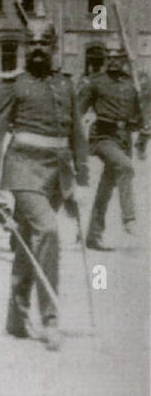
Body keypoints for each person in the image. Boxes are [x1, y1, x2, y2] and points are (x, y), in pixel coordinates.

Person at [0, 19, 87, 351]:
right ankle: (50, 319)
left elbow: (76, 136)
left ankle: (15, 318)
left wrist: (80, 180)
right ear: (26, 47)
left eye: (44, 43)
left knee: (30, 241)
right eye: (32, 43)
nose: (38, 48)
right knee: (48, 232)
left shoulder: (66, 85)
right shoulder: (13, 84)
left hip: (57, 174)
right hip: (23, 169)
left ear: (54, 46)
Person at [78, 37, 148, 250]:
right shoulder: (95, 82)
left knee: (106, 188)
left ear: (125, 59)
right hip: (103, 137)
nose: (113, 61)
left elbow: (141, 116)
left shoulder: (131, 83)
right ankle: (129, 218)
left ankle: (93, 235)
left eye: (117, 57)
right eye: (109, 57)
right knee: (125, 167)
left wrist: (143, 135)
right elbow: (77, 110)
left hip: (124, 138)